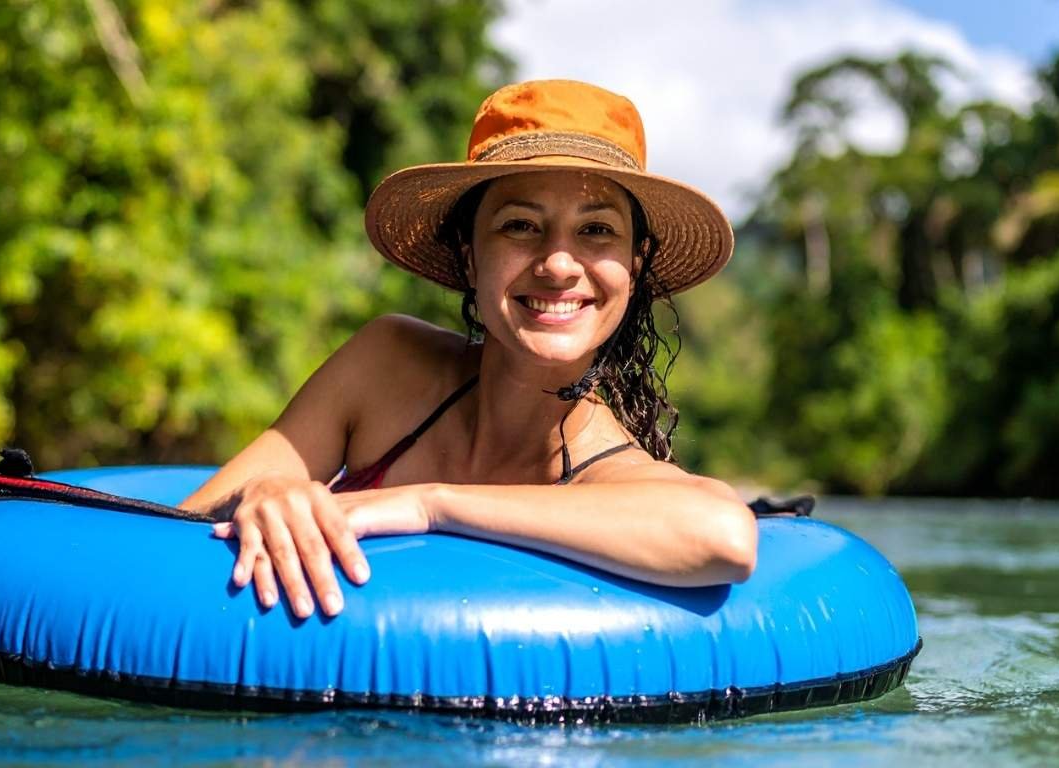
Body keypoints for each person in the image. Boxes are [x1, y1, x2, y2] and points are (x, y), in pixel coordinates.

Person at [183, 79, 756, 619]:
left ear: (633, 264)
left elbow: (724, 536)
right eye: (520, 225)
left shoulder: (612, 473)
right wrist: (264, 492)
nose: (558, 263)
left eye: (597, 230)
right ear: (467, 254)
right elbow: (183, 521)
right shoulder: (386, 366)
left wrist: (431, 505)